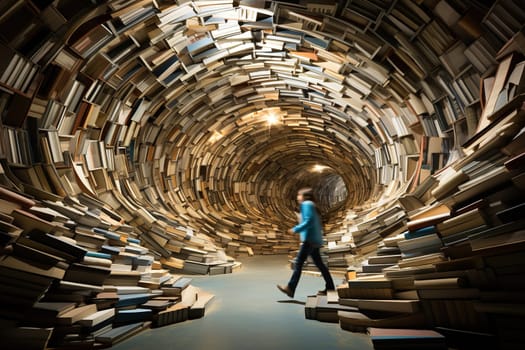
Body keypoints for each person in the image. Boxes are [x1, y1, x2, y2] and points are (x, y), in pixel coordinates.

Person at [277, 187, 335, 298]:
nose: (297, 197)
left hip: (310, 240)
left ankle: (290, 288)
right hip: (315, 239)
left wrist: (295, 229)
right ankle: (330, 287)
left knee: (298, 264)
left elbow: (308, 221)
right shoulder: (311, 205)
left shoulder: (307, 204)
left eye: (299, 195)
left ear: (304, 196)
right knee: (320, 265)